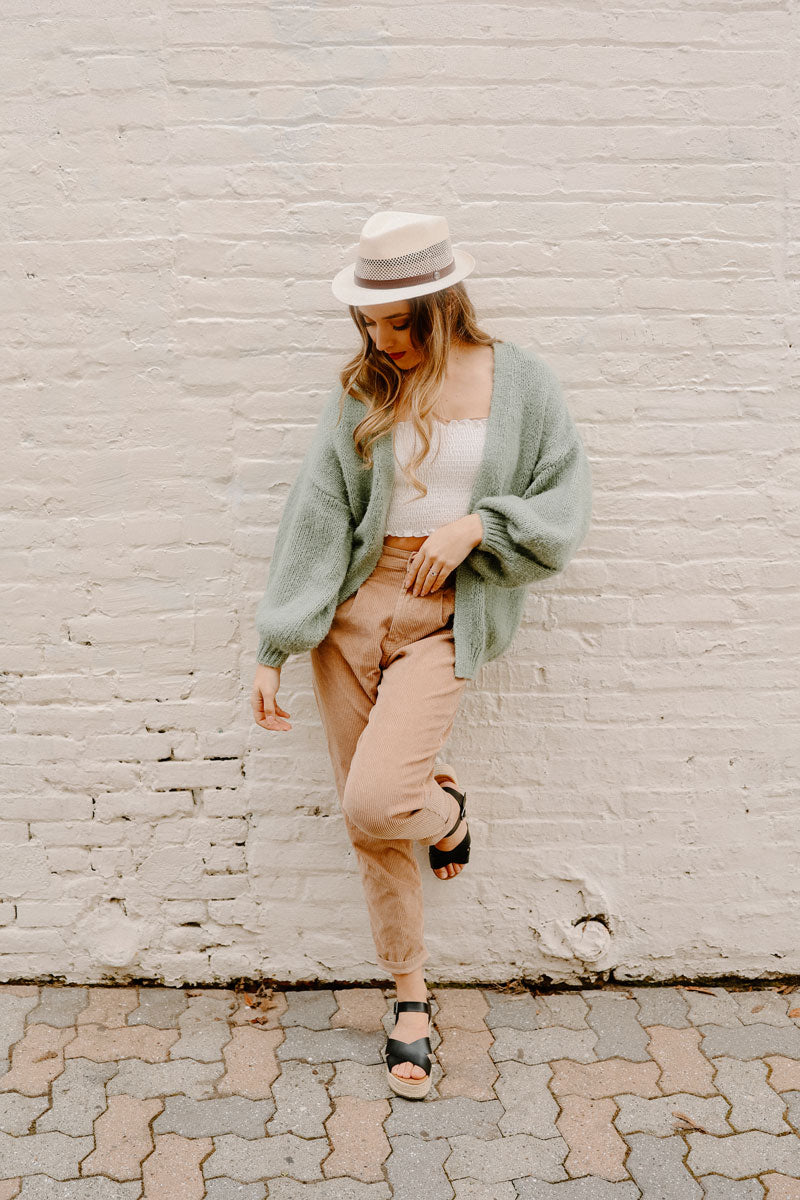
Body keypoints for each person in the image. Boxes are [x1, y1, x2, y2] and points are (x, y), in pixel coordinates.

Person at [250, 210, 593, 1100]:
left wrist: (480, 524)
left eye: (399, 323)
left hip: (446, 615)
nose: (382, 340)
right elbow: (318, 518)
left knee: (381, 795)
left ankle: (443, 814)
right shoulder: (363, 390)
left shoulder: (518, 382)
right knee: (365, 823)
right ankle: (409, 1000)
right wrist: (275, 644)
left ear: (442, 307)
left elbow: (562, 505)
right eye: (369, 321)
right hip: (352, 616)